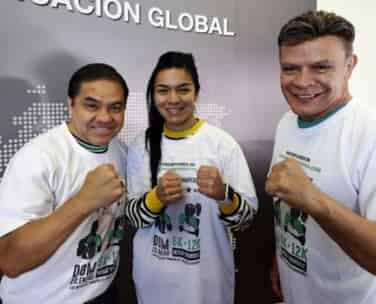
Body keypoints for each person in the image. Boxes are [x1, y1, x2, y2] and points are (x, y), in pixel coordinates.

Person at [265, 10, 376, 304]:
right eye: (291, 68)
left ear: (349, 66)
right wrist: (282, 258)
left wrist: (315, 200)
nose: (302, 82)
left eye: (320, 67)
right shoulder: (287, 123)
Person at [126, 51, 258, 304]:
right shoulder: (140, 145)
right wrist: (157, 198)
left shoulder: (221, 144)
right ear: (153, 96)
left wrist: (224, 195)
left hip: (208, 283)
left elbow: (245, 220)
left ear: (196, 92)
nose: (173, 99)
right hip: (155, 283)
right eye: (163, 91)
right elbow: (133, 217)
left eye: (183, 89)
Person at [0, 63, 128, 303]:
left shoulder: (121, 151)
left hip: (103, 292)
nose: (105, 117)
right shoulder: (39, 157)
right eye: (92, 105)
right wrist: (84, 201)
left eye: (115, 107)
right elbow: (10, 261)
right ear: (70, 104)